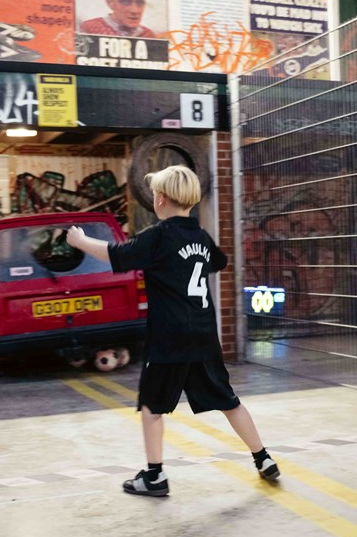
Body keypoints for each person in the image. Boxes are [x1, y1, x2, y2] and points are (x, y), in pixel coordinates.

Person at [66, 165, 280, 497]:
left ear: (161, 200)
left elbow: (116, 256)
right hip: (203, 334)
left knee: (152, 406)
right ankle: (263, 458)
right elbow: (218, 262)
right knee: (228, 400)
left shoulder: (158, 236)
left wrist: (80, 241)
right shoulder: (201, 237)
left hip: (169, 338)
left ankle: (154, 476)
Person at [79, 0, 157, 38]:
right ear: (110, 2)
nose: (135, 10)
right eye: (125, 2)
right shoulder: (90, 28)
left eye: (140, 2)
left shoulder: (148, 34)